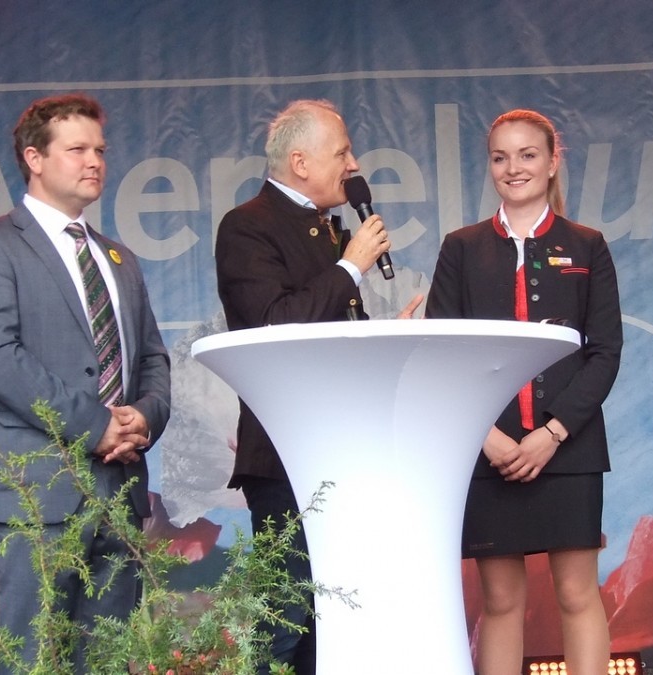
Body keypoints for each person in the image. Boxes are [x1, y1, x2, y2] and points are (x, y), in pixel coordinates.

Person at [0, 93, 171, 673]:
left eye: (100, 149)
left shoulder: (119, 258)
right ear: (35, 158)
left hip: (119, 489)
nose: (94, 160)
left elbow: (152, 357)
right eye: (77, 149)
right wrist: (97, 425)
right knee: (33, 658)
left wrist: (144, 415)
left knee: (107, 660)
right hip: (37, 491)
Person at [213, 98, 421, 675]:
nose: (354, 165)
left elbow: (329, 336)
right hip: (286, 453)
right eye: (343, 152)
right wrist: (350, 267)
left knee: (334, 625)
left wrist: (386, 337)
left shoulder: (325, 227)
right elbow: (273, 324)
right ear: (300, 162)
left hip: (341, 449)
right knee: (285, 617)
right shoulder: (248, 225)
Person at [426, 109, 622, 675]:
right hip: (490, 451)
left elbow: (605, 352)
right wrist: (487, 438)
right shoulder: (461, 247)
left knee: (577, 595)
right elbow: (441, 355)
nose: (514, 168)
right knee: (501, 601)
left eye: (528, 155)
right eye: (500, 157)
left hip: (570, 447)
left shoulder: (587, 245)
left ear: (553, 161)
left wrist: (553, 433)